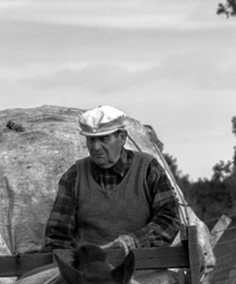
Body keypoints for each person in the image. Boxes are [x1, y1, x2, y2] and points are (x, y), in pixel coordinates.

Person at [43, 105, 181, 259]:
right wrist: (72, 264)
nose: (96, 147)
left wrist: (134, 241)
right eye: (91, 140)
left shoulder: (148, 169)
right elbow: (58, 236)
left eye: (104, 139)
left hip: (142, 269)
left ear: (122, 137)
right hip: (89, 274)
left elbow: (169, 219)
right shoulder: (74, 177)